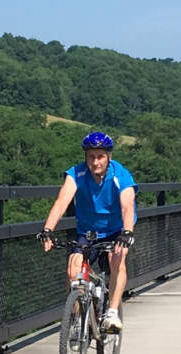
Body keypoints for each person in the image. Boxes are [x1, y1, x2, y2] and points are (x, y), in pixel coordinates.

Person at [38, 131, 137, 331]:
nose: (95, 162)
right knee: (73, 270)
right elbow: (61, 201)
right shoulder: (76, 174)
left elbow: (127, 205)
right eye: (91, 156)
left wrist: (127, 233)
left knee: (116, 259)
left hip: (116, 230)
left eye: (100, 156)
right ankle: (76, 320)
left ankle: (112, 312)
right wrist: (48, 229)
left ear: (108, 156)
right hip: (88, 231)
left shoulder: (121, 174)